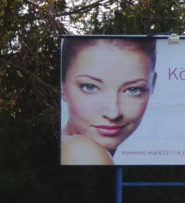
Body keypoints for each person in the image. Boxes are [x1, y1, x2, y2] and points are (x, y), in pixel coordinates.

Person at [60, 37, 156, 165]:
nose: (113, 113)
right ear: (62, 87)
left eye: (133, 89)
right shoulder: (82, 152)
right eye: (90, 87)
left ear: (152, 86)